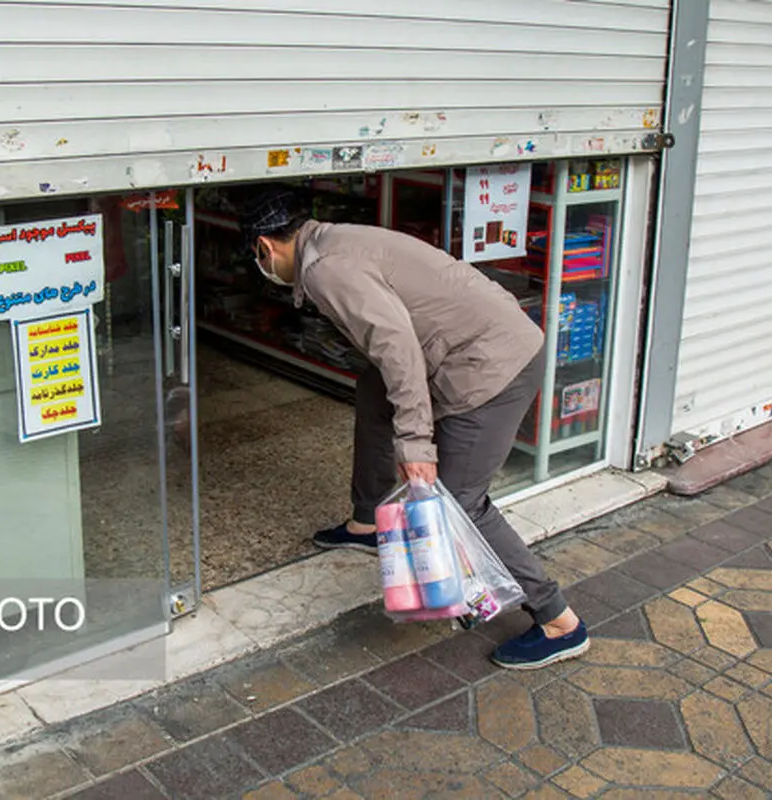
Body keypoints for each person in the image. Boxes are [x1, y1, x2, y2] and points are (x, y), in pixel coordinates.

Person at [237, 186, 588, 670]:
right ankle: (366, 520)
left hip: (491, 364)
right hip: (483, 338)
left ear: (264, 247)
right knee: (374, 391)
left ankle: (558, 621)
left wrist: (415, 442)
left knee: (462, 504)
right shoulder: (335, 240)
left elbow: (396, 345)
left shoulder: (324, 269)